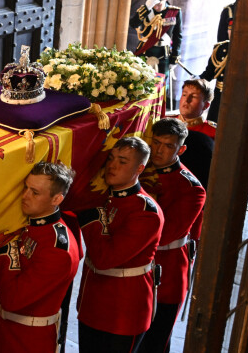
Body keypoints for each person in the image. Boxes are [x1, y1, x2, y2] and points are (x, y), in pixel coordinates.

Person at [76, 137, 164, 353]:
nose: (112, 166)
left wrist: (89, 213)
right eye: (111, 158)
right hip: (92, 303)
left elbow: (104, 258)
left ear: (140, 168)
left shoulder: (146, 212)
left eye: (123, 161)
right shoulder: (104, 195)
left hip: (123, 311)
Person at [0, 161, 80, 353]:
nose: (25, 196)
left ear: (57, 199)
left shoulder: (59, 249)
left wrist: (7, 247)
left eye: (35, 193)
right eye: (26, 188)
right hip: (1, 330)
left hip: (26, 340)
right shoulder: (30, 223)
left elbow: (13, 299)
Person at [138, 118, 206, 353]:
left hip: (166, 275)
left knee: (155, 344)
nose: (159, 150)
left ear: (181, 149)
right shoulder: (140, 169)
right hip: (136, 272)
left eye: (168, 146)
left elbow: (165, 235)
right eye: (156, 142)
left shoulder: (191, 188)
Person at [130, 0, 182, 107]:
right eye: (155, 2)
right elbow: (133, 24)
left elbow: (177, 36)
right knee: (141, 82)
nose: (157, 6)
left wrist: (175, 57)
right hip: (146, 51)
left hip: (163, 53)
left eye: (160, 2)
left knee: (162, 85)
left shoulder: (174, 12)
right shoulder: (146, 10)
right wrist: (147, 7)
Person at [173, 79, 217, 188]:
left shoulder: (214, 132)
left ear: (206, 105)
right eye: (184, 94)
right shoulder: (164, 121)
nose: (186, 100)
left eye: (194, 97)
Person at [200, 13, 233, 123]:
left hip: (235, 96)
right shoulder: (220, 48)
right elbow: (210, 73)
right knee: (213, 124)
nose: (231, 33)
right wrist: (198, 80)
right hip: (219, 95)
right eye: (229, 30)